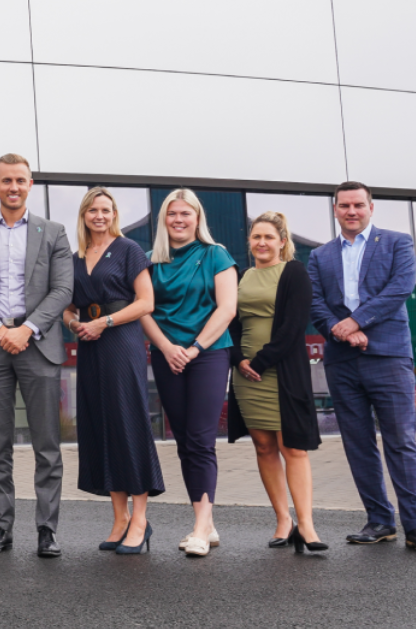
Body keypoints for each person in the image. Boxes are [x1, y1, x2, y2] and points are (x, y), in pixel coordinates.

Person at [307, 182, 416, 553]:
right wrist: (343, 332)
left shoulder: (398, 242)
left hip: (388, 357)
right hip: (342, 359)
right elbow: (315, 302)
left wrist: (357, 322)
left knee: (401, 441)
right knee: (358, 443)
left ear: (371, 207)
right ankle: (380, 520)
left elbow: (400, 288)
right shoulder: (320, 255)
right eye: (344, 205)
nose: (352, 211)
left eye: (358, 205)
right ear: (335, 209)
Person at [0, 153, 73, 558]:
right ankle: (0, 528)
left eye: (20, 180)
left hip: (37, 344)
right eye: (6, 181)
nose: (13, 187)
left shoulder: (54, 232)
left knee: (47, 444)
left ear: (30, 184)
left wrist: (26, 329)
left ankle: (47, 530)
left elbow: (62, 290)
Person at [61, 188, 163, 555]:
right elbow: (69, 308)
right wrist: (75, 325)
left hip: (121, 342)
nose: (99, 215)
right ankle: (119, 518)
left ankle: (140, 519)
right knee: (101, 424)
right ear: (84, 215)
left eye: (106, 209)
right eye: (93, 210)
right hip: (90, 345)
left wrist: (103, 322)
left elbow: (146, 302)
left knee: (126, 421)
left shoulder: (129, 250)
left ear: (114, 214)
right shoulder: (74, 259)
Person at [138, 188, 237, 558]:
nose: (179, 220)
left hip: (209, 353)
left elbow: (227, 308)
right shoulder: (149, 261)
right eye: (172, 214)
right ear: (164, 219)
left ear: (198, 218)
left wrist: (194, 348)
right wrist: (166, 348)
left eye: (186, 214)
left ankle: (199, 528)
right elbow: (143, 308)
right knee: (184, 441)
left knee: (200, 438)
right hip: (167, 355)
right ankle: (206, 523)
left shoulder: (216, 254)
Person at [226, 212, 327, 554]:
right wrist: (239, 360)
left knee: (293, 449)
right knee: (264, 447)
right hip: (246, 375)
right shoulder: (241, 276)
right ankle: (283, 520)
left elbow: (293, 327)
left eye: (269, 237)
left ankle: (307, 525)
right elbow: (232, 323)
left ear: (283, 241)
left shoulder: (294, 272)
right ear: (250, 242)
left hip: (283, 372)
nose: (262, 243)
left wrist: (260, 361)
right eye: (256, 237)